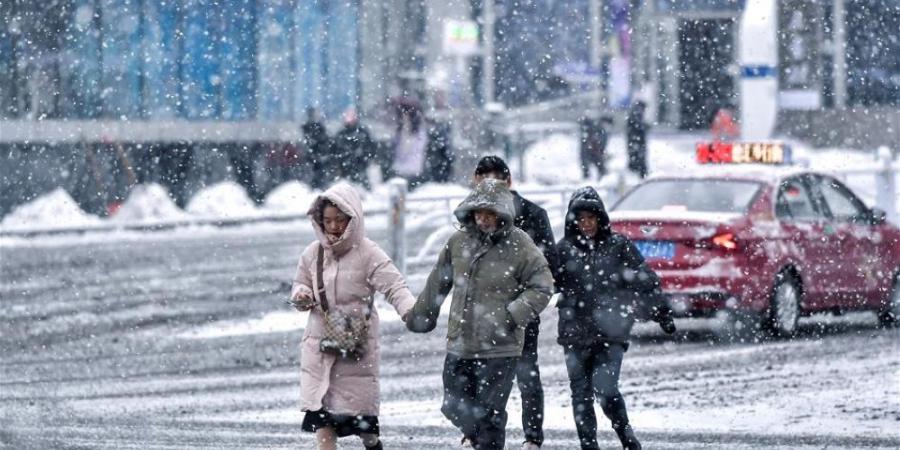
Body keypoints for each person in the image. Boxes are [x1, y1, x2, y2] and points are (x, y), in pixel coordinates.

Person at [407, 179, 554, 450]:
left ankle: (484, 441)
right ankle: (476, 437)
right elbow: (438, 280)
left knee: (490, 416)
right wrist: (421, 315)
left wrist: (511, 316)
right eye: (479, 213)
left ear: (502, 214)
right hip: (461, 342)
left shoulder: (520, 244)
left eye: (490, 214)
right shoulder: (458, 241)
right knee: (453, 405)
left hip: (500, 346)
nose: (484, 219)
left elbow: (543, 285)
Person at [290, 183, 417, 450]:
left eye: (340, 220)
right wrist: (301, 295)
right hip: (320, 345)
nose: (334, 226)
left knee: (364, 427)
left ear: (353, 219)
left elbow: (395, 286)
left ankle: (373, 444)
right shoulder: (313, 253)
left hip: (355, 348)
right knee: (322, 420)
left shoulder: (368, 253)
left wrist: (410, 311)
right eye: (327, 221)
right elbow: (300, 283)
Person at [551, 186, 676, 450]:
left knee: (605, 388)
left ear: (600, 219)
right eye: (580, 219)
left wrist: (661, 311)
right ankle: (588, 445)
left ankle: (625, 433)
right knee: (581, 395)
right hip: (574, 332)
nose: (586, 224)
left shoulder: (619, 246)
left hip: (611, 332)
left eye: (591, 218)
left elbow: (645, 279)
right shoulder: (562, 250)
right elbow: (542, 284)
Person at [472, 156, 553, 450]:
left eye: (494, 181)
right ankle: (481, 435)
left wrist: (520, 306)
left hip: (520, 313)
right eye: (482, 181)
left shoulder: (533, 215)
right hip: (481, 315)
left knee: (526, 374)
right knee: (482, 378)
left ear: (509, 181)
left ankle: (532, 437)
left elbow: (548, 270)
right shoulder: (472, 218)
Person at [333, 108, 375, 188]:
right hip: (346, 167)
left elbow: (370, 147)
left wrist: (366, 158)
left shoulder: (362, 132)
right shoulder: (341, 134)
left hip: (360, 166)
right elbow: (336, 150)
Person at [302, 107, 333, 190]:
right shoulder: (311, 128)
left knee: (316, 173)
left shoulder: (308, 127)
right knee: (317, 173)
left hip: (315, 155)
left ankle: (315, 187)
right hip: (315, 155)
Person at [626, 101, 649, 178]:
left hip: (635, 141)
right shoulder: (637, 114)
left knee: (637, 159)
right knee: (639, 160)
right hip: (637, 141)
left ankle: (640, 173)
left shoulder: (634, 113)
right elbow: (638, 126)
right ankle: (642, 175)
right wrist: (645, 126)